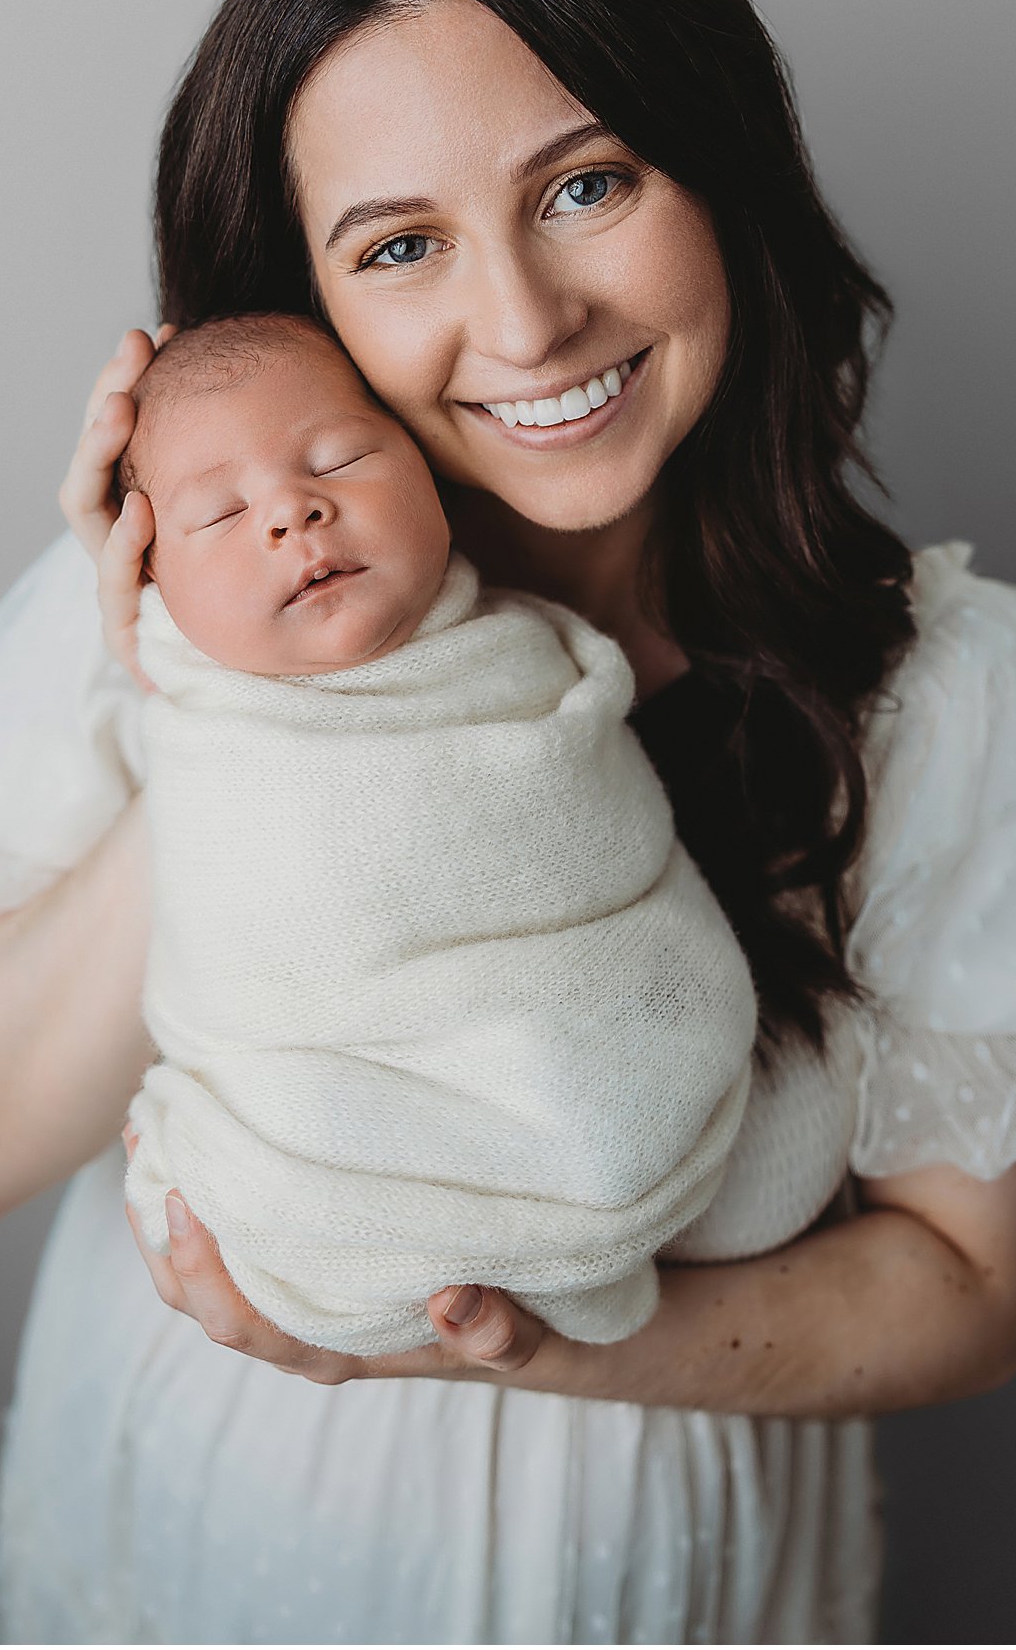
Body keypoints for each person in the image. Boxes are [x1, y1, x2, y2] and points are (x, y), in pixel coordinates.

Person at [0, 0, 1016, 1646]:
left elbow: (968, 1292)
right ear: (306, 300)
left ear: (719, 174)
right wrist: (227, 713)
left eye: (585, 186)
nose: (522, 317)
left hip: (649, 1552)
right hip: (199, 1523)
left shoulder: (950, 685)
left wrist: (532, 1346)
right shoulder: (182, 584)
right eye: (398, 244)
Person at [119, 310, 757, 1353]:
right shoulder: (195, 720)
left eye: (339, 456)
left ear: (425, 465)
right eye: (221, 513)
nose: (293, 511)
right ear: (147, 573)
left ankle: (567, 1190)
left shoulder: (517, 656)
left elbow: (601, 862)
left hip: (588, 1082)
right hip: (319, 1117)